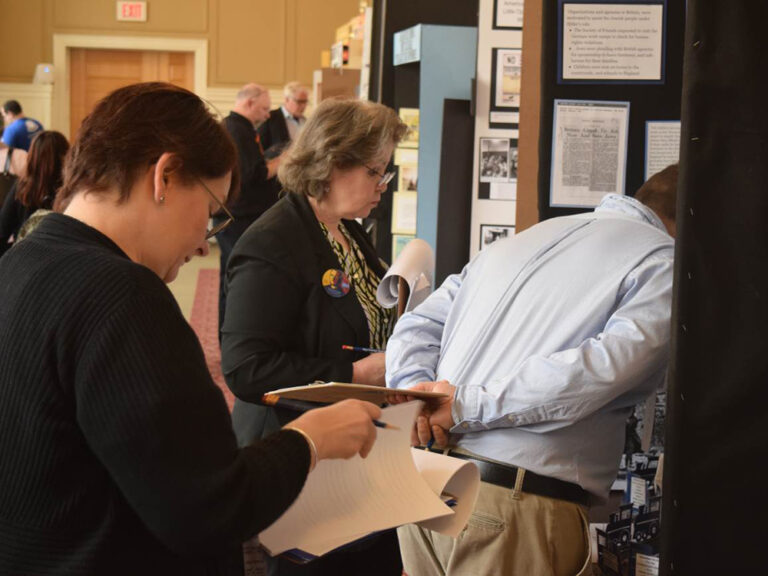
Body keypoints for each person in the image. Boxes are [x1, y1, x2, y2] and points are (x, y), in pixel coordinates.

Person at [0, 82, 384, 576]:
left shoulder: (19, 263)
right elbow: (209, 507)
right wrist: (310, 438)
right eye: (209, 212)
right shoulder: (123, 296)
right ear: (164, 176)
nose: (204, 244)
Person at [386, 164, 679, 576]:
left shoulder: (525, 238)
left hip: (424, 484)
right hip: (509, 505)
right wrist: (462, 406)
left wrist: (414, 398)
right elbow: (602, 369)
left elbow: (417, 324)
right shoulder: (663, 260)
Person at [221, 98, 406, 576]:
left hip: (357, 452)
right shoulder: (272, 242)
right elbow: (246, 369)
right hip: (298, 458)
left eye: (386, 172)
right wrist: (352, 373)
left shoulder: (346, 231)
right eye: (375, 172)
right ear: (332, 163)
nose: (383, 186)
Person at [215, 83, 281, 333]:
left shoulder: (240, 128)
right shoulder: (236, 129)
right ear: (249, 103)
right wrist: (281, 161)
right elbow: (253, 174)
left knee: (237, 277)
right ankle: (231, 336)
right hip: (239, 219)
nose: (267, 115)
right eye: (264, 109)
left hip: (242, 217)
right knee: (238, 279)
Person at [0, 130, 69, 256]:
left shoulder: (22, 187)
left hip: (24, 257)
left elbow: (3, 230)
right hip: (60, 259)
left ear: (32, 157)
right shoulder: (70, 191)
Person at [257, 81, 310, 157]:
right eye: (299, 102)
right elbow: (259, 149)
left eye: (305, 102)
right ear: (287, 100)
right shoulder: (269, 118)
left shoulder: (306, 121)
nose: (303, 106)